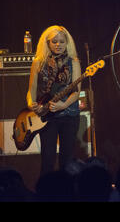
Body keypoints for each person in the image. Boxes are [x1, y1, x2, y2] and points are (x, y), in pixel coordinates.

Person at [27, 25, 81, 176]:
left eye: (62, 41)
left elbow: (76, 92)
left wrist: (63, 105)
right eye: (54, 41)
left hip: (69, 116)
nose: (58, 45)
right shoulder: (38, 62)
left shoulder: (74, 62)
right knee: (47, 159)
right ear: (47, 43)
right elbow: (31, 90)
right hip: (47, 118)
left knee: (67, 161)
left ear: (67, 43)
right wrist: (32, 104)